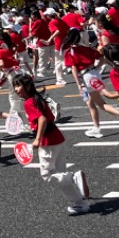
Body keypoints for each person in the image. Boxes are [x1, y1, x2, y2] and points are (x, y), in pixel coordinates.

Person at [12, 72, 89, 215]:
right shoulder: (38, 98)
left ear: (28, 86)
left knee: (47, 176)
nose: (16, 89)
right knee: (60, 174)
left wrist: (37, 139)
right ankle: (80, 203)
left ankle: (74, 177)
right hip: (57, 138)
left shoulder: (29, 102)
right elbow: (51, 116)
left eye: (18, 85)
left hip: (47, 141)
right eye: (14, 86)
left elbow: (42, 119)